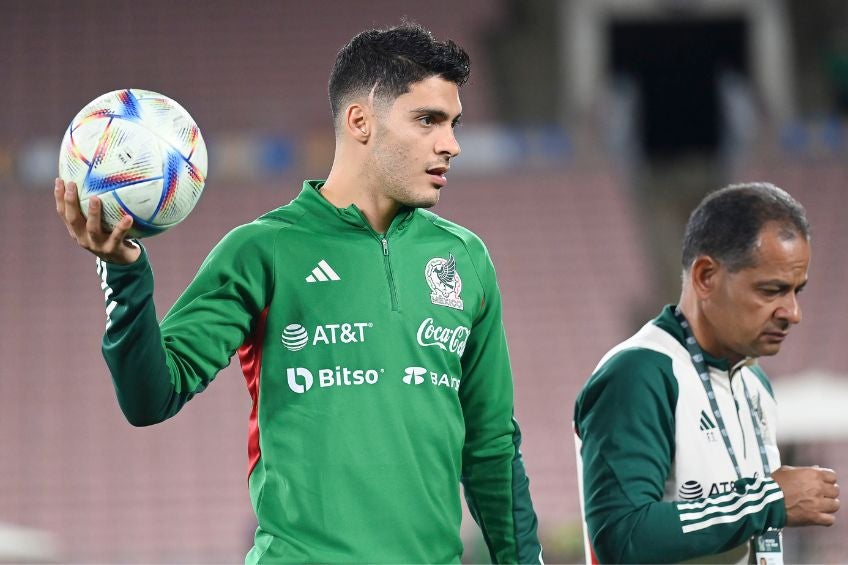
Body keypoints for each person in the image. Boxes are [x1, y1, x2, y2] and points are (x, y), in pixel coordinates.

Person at [54, 22, 542, 564]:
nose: (450, 144)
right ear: (361, 121)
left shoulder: (465, 259)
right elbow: (151, 397)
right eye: (427, 120)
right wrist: (123, 273)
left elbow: (492, 447)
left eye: (453, 123)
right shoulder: (262, 251)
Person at [573, 182, 840, 564]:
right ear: (705, 277)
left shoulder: (754, 382)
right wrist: (767, 501)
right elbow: (622, 536)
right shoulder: (640, 373)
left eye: (797, 291)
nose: (792, 313)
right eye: (771, 291)